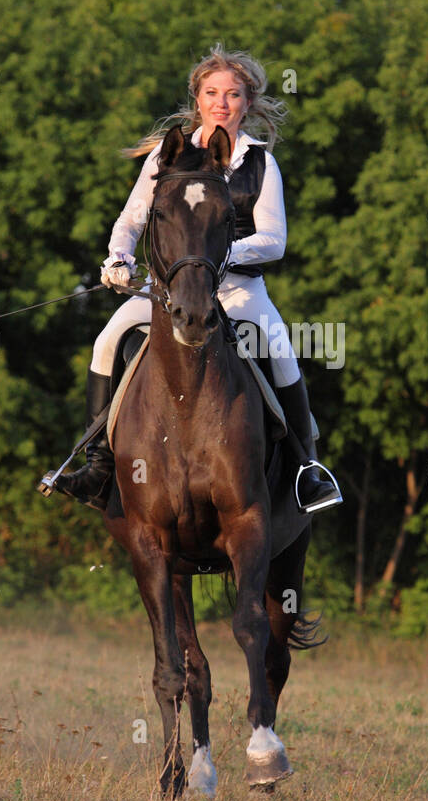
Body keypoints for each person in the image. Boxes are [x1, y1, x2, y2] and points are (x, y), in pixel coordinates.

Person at [49, 44, 342, 514]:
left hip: (238, 287)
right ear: (198, 99)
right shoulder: (167, 156)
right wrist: (118, 258)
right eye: (212, 93)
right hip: (169, 289)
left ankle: (306, 470)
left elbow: (274, 240)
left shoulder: (260, 163)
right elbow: (131, 220)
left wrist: (215, 255)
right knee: (106, 341)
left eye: (232, 94)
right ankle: (98, 466)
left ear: (247, 102)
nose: (221, 103)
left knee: (280, 349)